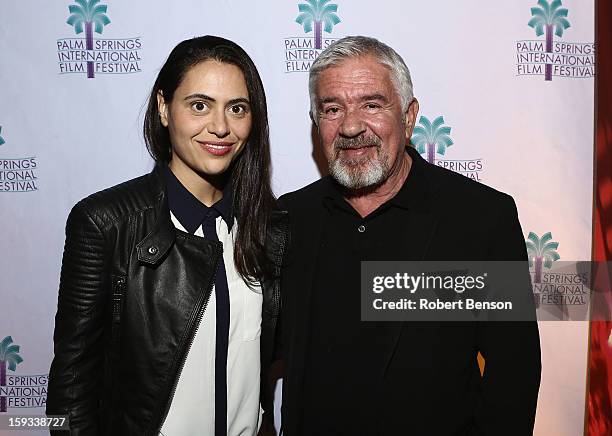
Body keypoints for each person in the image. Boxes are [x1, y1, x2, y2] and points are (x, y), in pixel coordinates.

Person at [277, 36, 541, 435]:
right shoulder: (290, 216)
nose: (351, 126)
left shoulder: (479, 217)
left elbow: (514, 368)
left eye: (372, 104)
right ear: (316, 123)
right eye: (332, 108)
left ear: (409, 115)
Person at [46, 35, 288, 436]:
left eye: (237, 109)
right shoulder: (106, 223)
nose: (220, 127)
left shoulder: (269, 227)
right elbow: (72, 384)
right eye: (199, 105)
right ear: (163, 108)